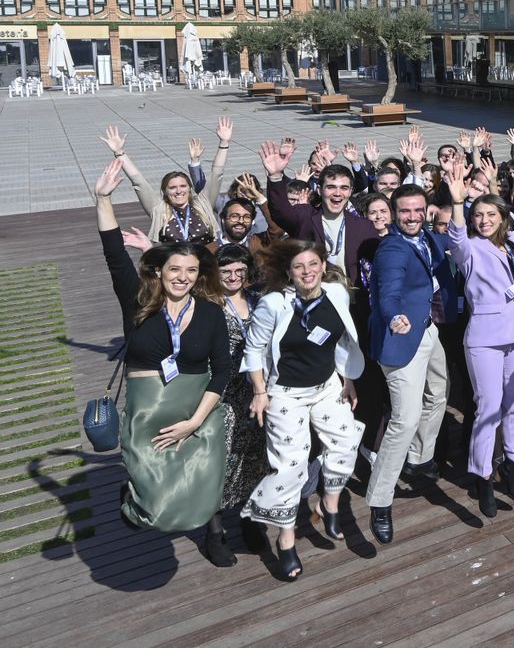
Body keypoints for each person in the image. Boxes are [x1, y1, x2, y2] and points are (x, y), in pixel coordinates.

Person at [92, 159, 230, 555]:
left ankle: (213, 535)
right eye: (175, 268)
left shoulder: (210, 312)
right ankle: (134, 503)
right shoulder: (138, 300)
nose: (182, 276)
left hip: (199, 412)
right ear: (160, 270)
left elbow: (221, 370)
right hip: (148, 412)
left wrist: (195, 422)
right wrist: (103, 199)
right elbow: (114, 253)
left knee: (202, 492)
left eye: (191, 270)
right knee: (154, 497)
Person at [241, 240, 366, 580]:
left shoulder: (337, 293)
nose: (307, 272)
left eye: (313, 264)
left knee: (347, 439)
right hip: (285, 393)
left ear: (323, 266)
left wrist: (347, 378)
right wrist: (260, 391)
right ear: (289, 273)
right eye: (299, 267)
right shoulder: (274, 304)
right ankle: (286, 541)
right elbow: (254, 349)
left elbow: (340, 340)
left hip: (327, 386)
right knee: (290, 466)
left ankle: (329, 504)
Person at [366, 186, 462, 544]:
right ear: (393, 213)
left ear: (427, 211)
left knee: (439, 392)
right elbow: (387, 291)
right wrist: (394, 317)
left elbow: (448, 243)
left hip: (427, 329)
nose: (411, 217)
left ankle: (419, 458)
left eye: (417, 210)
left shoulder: (426, 238)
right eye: (404, 212)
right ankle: (380, 500)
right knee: (404, 419)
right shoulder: (392, 249)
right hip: (402, 337)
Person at [442, 162, 514, 520]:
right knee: (488, 407)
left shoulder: (513, 242)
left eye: (490, 214)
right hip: (484, 338)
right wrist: (459, 203)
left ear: (502, 217)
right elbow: (456, 239)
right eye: (479, 214)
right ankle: (483, 476)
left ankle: (513, 466)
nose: (484, 220)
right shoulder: (470, 248)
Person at [211, 242, 269, 560]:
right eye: (226, 271)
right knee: (218, 465)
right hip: (221, 396)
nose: (233, 276)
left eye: (239, 270)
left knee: (255, 461)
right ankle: (215, 533)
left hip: (256, 395)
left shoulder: (258, 300)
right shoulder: (206, 306)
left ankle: (250, 522)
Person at [260, 140, 379, 286]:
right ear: (319, 190)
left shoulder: (364, 227)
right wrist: (275, 176)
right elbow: (280, 212)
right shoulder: (305, 218)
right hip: (314, 298)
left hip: (353, 302)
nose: (337, 193)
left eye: (343, 188)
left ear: (350, 191)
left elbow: (381, 263)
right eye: (330, 187)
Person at [102, 118, 234, 244]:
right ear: (165, 191)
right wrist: (120, 152)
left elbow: (217, 173)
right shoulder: (158, 209)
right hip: (173, 266)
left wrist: (224, 143)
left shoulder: (203, 204)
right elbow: (138, 181)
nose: (178, 191)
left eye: (183, 186)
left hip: (206, 265)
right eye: (172, 188)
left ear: (189, 189)